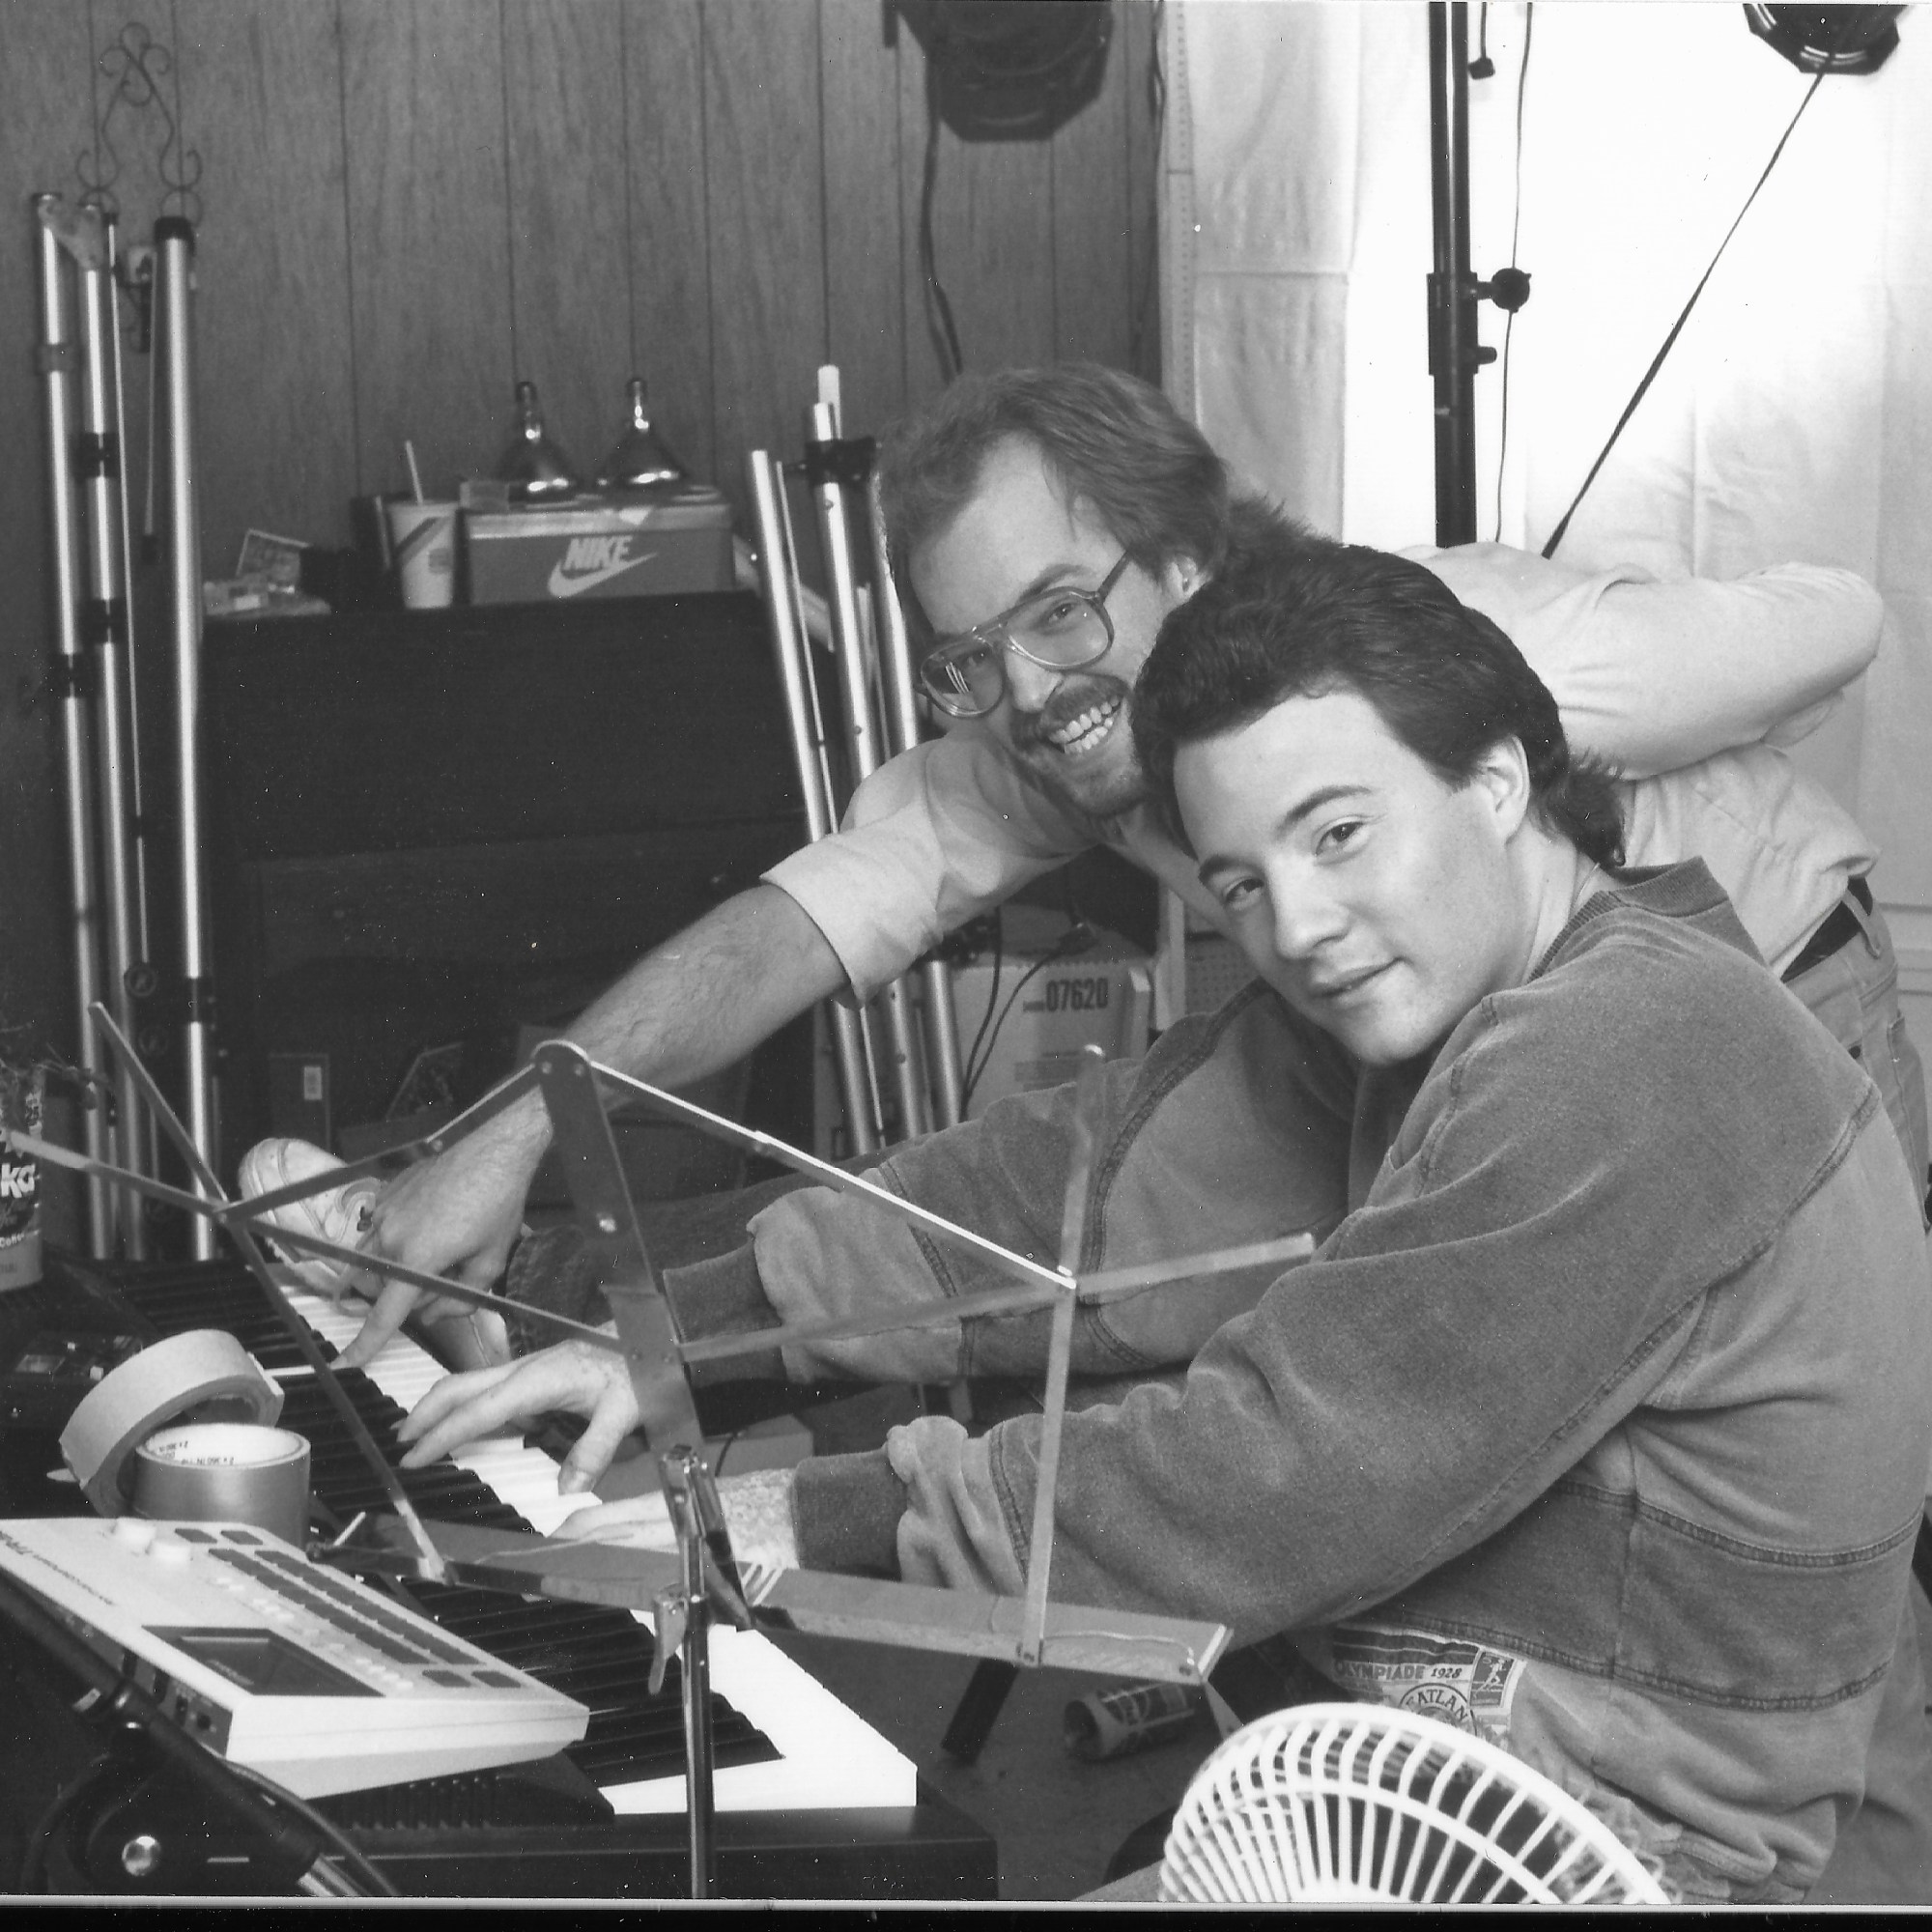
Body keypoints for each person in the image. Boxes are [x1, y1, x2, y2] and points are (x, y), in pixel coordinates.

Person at [402, 529, 1932, 1904]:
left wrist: (783, 1520)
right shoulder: (1417, 1016)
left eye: (1340, 834)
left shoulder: (1639, 1047)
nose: (1300, 928)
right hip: (1399, 1801)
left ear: (1496, 783)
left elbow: (1280, 1470)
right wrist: (676, 1339)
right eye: (1242, 884)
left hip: (1617, 1864)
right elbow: (1058, 1196)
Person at [330, 363, 1920, 1378]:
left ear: (1187, 562)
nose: (1027, 691)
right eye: (972, 655)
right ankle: (541, 1290)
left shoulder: (1456, 649)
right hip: (1454, 1043)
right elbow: (789, 930)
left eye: (1060, 611)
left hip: (1778, 984)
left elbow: (1842, 619)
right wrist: (512, 1130)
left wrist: (1581, 729)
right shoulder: (1050, 737)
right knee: (1076, 1193)